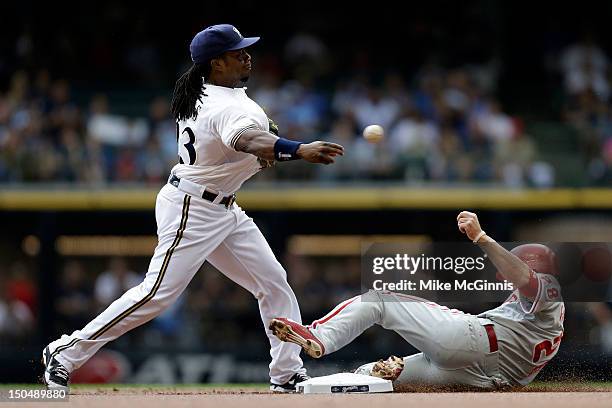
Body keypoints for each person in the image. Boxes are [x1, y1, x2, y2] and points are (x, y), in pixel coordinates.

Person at [42, 23, 344, 393]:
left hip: (222, 207)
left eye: (245, 49)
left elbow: (235, 145)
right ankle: (64, 352)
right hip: (194, 208)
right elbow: (247, 138)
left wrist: (261, 154)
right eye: (237, 52)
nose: (247, 55)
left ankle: (286, 373)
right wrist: (295, 149)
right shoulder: (223, 103)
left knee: (273, 283)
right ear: (216, 64)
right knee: (156, 294)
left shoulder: (203, 92)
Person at [270, 211, 565, 390]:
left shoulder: (550, 291)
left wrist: (481, 237)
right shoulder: (541, 317)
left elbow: (525, 278)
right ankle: (305, 389)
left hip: (474, 342)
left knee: (381, 300)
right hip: (486, 380)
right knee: (371, 378)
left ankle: (320, 335)